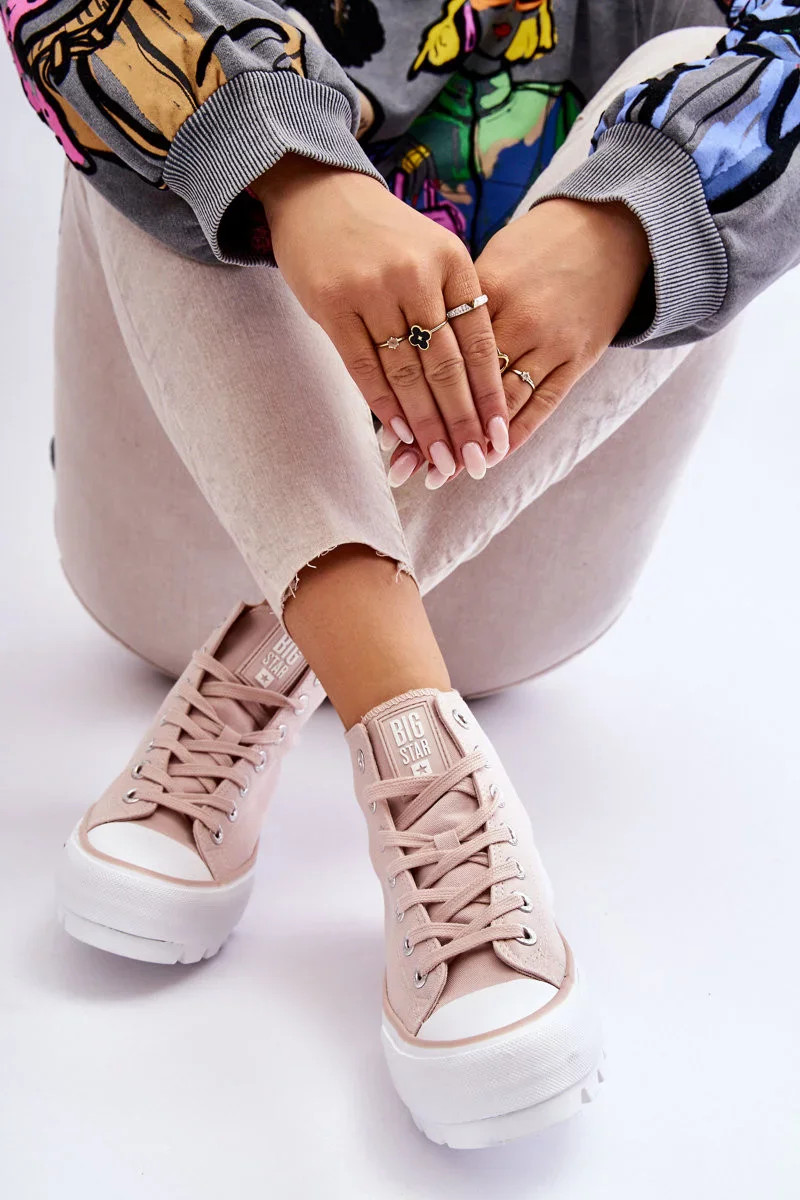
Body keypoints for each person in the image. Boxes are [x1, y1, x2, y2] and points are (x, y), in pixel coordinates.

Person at [4, 0, 798, 1149]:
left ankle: (263, 667)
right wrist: (289, 176)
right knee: (161, 94)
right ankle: (409, 738)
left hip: (513, 562)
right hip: (182, 522)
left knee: (704, 91)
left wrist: (625, 223)